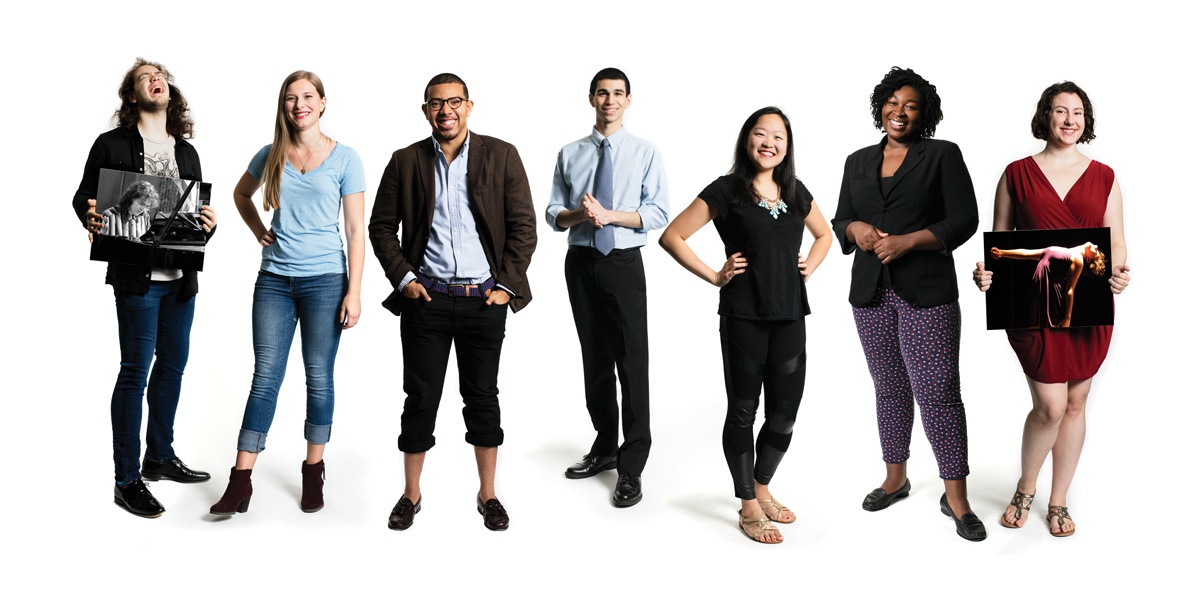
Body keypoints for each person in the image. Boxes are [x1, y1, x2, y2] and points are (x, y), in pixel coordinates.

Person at [369, 73, 537, 532]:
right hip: (427, 299)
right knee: (420, 397)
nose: (446, 110)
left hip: (485, 300)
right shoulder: (405, 161)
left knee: (482, 396)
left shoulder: (501, 155)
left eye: (455, 102)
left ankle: (488, 494)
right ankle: (410, 494)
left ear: (469, 106)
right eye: (437, 103)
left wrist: (505, 285)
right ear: (425, 110)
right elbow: (381, 226)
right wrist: (404, 279)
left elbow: (523, 226)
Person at [660, 107, 831, 544]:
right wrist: (716, 275)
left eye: (778, 136)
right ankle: (748, 505)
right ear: (746, 140)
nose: (769, 143)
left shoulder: (795, 192)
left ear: (787, 146)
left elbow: (825, 235)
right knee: (742, 411)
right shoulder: (726, 190)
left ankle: (763, 485)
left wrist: (808, 266)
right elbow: (672, 236)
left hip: (791, 314)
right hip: (743, 317)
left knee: (784, 415)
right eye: (760, 134)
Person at [831, 67, 985, 541]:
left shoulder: (941, 155)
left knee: (938, 393)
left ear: (925, 114)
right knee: (889, 388)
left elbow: (965, 219)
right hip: (870, 294)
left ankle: (955, 496)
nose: (900, 112)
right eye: (892, 103)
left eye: (911, 105)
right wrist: (854, 230)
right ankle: (895, 478)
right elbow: (841, 219)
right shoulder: (857, 160)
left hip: (926, 293)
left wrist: (910, 242)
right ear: (880, 107)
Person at [973, 81, 1131, 537]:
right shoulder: (1016, 173)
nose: (1069, 120)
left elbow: (1114, 238)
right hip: (1033, 304)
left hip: (1087, 302)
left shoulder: (1105, 175)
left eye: (1077, 112)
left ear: (1086, 120)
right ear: (1045, 116)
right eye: (1060, 111)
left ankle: (1057, 500)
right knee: (1050, 405)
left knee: (1076, 404)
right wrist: (987, 276)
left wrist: (1119, 269)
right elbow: (999, 243)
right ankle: (1026, 488)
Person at [211, 70, 365, 516]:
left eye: (307, 97)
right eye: (291, 98)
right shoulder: (271, 153)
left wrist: (354, 291)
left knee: (318, 376)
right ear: (284, 107)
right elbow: (241, 195)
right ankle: (240, 481)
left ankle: (313, 471)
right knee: (266, 377)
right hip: (275, 280)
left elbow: (355, 230)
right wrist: (259, 229)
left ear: (322, 103)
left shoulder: (345, 158)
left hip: (325, 280)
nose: (299, 104)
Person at [72, 58, 217, 518]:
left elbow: (192, 218)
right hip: (137, 280)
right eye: (143, 77)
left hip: (180, 281)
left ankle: (159, 457)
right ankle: (126, 478)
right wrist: (90, 216)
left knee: (172, 366)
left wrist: (207, 226)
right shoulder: (111, 144)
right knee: (135, 372)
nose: (156, 80)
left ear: (169, 92)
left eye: (161, 76)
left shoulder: (187, 152)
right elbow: (84, 197)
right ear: (132, 96)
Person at [545, 67, 668, 507]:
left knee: (632, 362)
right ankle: (604, 447)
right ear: (591, 98)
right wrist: (582, 215)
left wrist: (611, 216)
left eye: (618, 94)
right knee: (594, 359)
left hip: (623, 262)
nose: (609, 101)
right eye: (602, 93)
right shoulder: (570, 152)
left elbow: (657, 213)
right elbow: (553, 213)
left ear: (628, 100)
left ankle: (632, 466)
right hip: (580, 262)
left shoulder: (645, 152)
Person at [988, 242, 1106, 328]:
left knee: (1047, 327)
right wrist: (1002, 253)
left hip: (1052, 293)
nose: (1096, 247)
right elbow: (1026, 253)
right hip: (1040, 289)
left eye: (1096, 253)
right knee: (1036, 324)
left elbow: (1070, 289)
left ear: (1088, 259)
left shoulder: (1078, 259)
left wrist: (1067, 318)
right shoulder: (1066, 250)